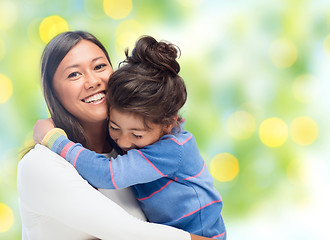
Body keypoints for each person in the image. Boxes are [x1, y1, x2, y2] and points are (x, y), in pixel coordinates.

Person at [17, 31, 215, 240]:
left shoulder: (130, 152)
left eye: (99, 66)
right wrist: (53, 140)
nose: (92, 81)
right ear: (53, 92)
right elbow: (128, 233)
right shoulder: (40, 165)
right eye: (74, 74)